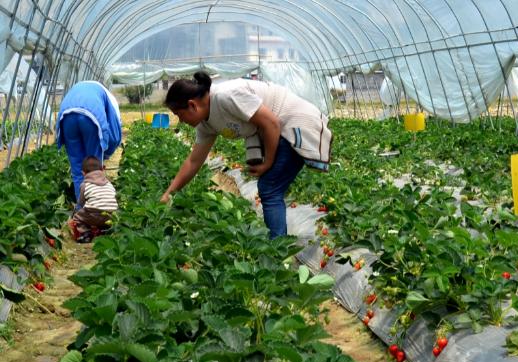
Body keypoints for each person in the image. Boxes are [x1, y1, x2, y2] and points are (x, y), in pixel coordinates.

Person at [161, 71, 333, 239]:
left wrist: (268, 163)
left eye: (179, 115)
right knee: (270, 188)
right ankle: (276, 245)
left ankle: (277, 250)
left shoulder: (226, 97)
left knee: (269, 188)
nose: (181, 121)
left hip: (295, 123)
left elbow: (272, 123)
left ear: (192, 105)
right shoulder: (205, 123)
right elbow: (194, 161)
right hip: (277, 130)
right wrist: (169, 193)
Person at [56, 80, 122, 205]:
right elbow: (114, 133)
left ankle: (81, 208)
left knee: (77, 169)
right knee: (95, 169)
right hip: (91, 116)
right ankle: (96, 207)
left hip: (66, 115)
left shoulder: (83, 88)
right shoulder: (110, 98)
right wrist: (106, 152)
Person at [68, 156, 118, 243]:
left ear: (83, 173)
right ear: (102, 170)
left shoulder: (85, 185)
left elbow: (81, 202)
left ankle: (86, 234)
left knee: (78, 217)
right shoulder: (109, 184)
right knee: (106, 218)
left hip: (93, 214)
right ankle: (105, 232)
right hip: (110, 215)